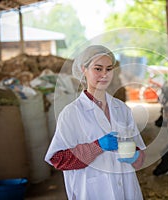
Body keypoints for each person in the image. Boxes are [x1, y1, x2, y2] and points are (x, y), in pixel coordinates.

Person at [44, 45, 146, 200]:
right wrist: (96, 147)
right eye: (98, 69)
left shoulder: (122, 109)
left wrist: (135, 157)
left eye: (109, 69)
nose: (104, 75)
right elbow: (58, 158)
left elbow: (140, 155)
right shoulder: (71, 113)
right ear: (84, 70)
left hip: (127, 189)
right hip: (93, 191)